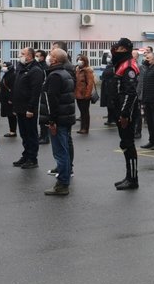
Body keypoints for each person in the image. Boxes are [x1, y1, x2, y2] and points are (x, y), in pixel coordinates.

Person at [40, 48, 76, 196]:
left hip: (59, 120)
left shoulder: (55, 76)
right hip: (65, 118)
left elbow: (51, 101)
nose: (48, 57)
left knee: (60, 152)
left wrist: (52, 121)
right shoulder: (65, 73)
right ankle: (64, 180)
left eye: (50, 55)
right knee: (64, 151)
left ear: (55, 60)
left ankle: (62, 184)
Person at [110, 38, 141, 190]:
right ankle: (129, 176)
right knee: (125, 144)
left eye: (120, 48)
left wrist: (124, 114)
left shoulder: (128, 67)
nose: (116, 50)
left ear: (126, 50)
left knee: (128, 144)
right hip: (120, 109)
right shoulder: (121, 64)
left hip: (126, 112)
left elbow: (130, 93)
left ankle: (133, 179)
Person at [12, 47, 44, 169]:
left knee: (31, 134)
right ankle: (26, 155)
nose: (20, 55)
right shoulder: (22, 68)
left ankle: (32, 158)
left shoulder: (35, 70)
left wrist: (31, 109)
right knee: (24, 134)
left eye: (23, 54)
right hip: (20, 107)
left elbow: (35, 92)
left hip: (29, 109)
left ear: (30, 56)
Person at [74, 54, 95, 135]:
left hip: (84, 94)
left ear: (85, 61)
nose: (79, 61)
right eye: (78, 59)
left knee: (85, 112)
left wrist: (87, 94)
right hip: (78, 94)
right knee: (82, 112)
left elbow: (90, 84)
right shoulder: (77, 69)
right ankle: (82, 128)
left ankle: (85, 128)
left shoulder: (87, 71)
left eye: (81, 60)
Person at [0, 61, 17, 138]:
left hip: (10, 99)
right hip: (5, 98)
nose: (3, 67)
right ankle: (11, 130)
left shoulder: (13, 75)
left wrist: (11, 99)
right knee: (9, 115)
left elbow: (13, 88)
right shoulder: (6, 74)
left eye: (5, 66)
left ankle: (13, 131)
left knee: (12, 115)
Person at [99, 50, 117, 127]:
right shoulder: (109, 66)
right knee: (109, 105)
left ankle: (113, 119)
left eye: (109, 57)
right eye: (108, 57)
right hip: (107, 88)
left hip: (111, 88)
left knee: (112, 105)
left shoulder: (115, 66)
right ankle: (110, 119)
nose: (108, 58)